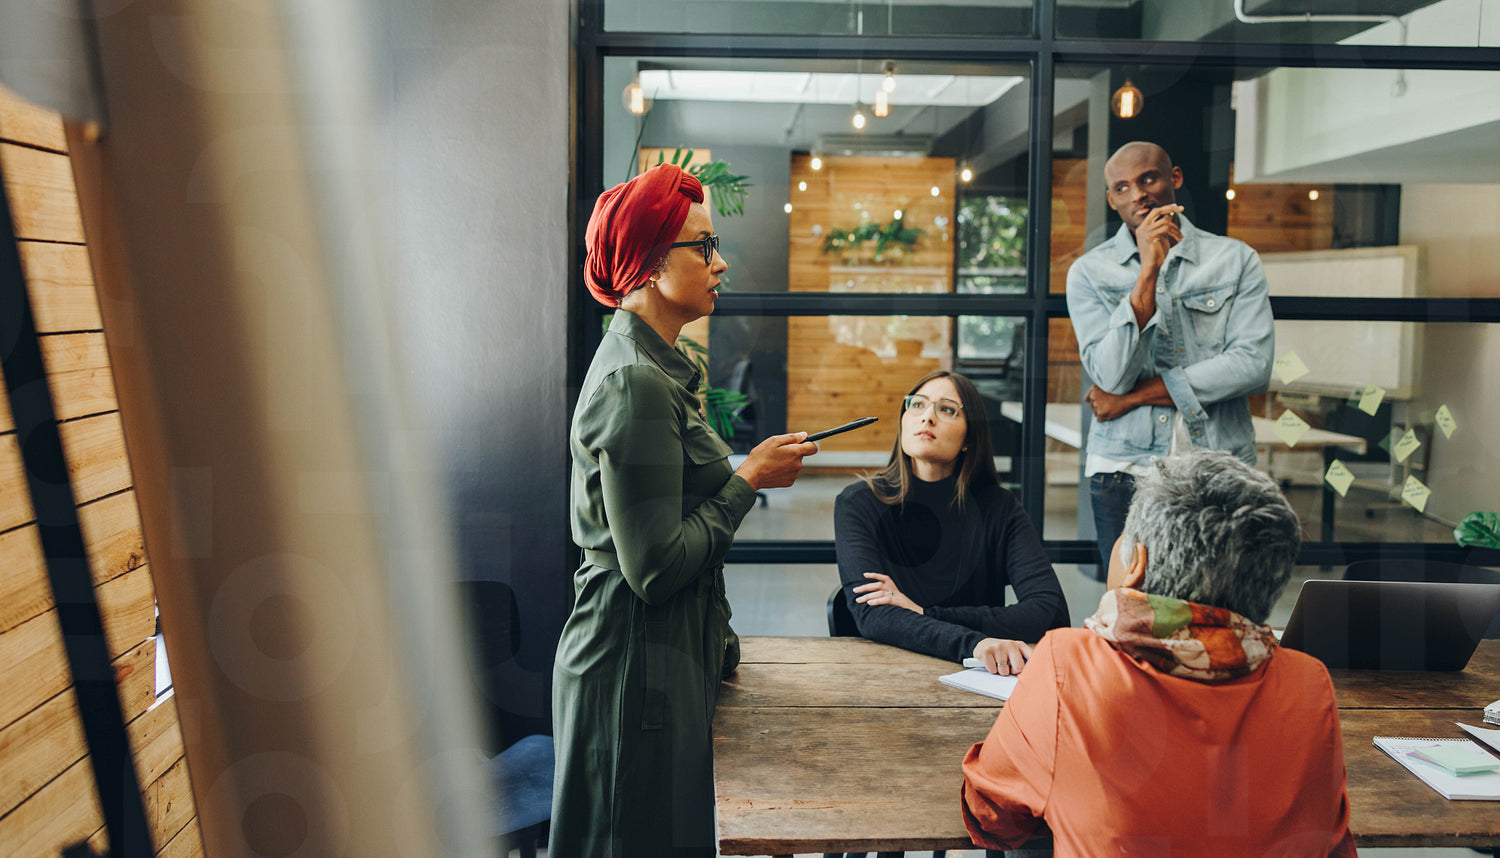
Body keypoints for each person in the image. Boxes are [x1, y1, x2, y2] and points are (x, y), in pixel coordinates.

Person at [551, 164, 818, 858]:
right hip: (632, 671)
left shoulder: (658, 366)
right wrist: (749, 478)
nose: (720, 262)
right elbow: (656, 568)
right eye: (702, 247)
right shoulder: (636, 383)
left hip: (660, 661)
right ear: (647, 265)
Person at [961, 449, 1356, 857]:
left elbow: (992, 816)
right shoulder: (1309, 683)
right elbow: (1330, 840)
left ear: (1137, 565)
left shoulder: (1068, 663)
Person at [1066, 141, 1274, 576]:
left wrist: (1134, 397)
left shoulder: (1235, 260)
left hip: (1217, 465)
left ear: (1173, 178)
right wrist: (1148, 271)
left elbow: (1252, 364)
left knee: (1223, 596)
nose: (1138, 194)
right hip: (1123, 469)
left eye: (1148, 179)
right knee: (1130, 601)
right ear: (1112, 200)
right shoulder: (1088, 273)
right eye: (1122, 188)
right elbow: (1110, 376)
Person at [834, 370, 1070, 676]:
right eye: (917, 405)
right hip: (887, 671)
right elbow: (873, 615)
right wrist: (974, 643)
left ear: (969, 438)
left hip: (980, 676)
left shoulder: (999, 507)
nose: (927, 417)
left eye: (946, 409)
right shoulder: (859, 503)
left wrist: (924, 613)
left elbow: (1050, 611)